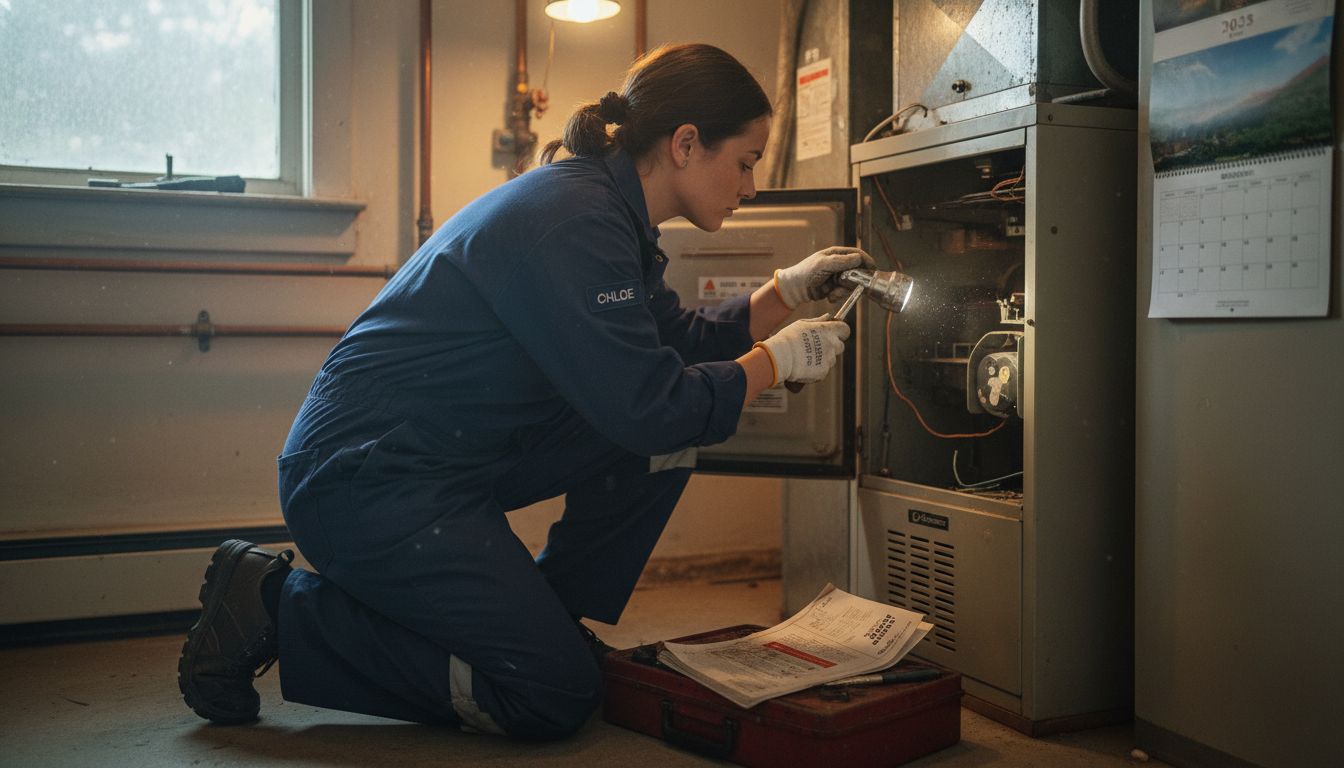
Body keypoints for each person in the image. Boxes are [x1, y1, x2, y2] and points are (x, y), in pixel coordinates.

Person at [177, 43, 870, 740]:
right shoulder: (577, 220)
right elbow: (650, 406)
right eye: (746, 163)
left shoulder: (605, 210)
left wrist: (787, 292)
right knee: (552, 695)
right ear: (687, 143)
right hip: (367, 482)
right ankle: (274, 605)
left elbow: (672, 343)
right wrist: (773, 365)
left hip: (431, 462)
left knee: (666, 440)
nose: (750, 187)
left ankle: (550, 617)